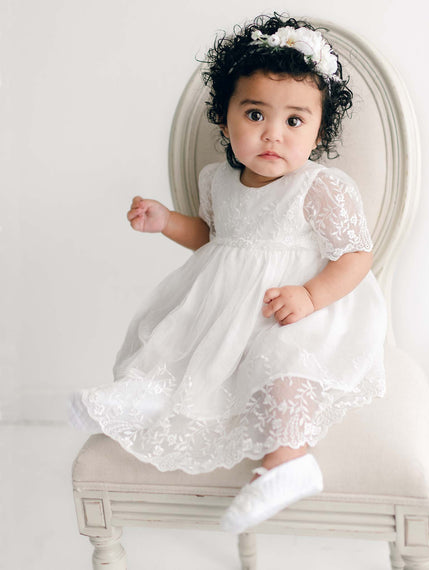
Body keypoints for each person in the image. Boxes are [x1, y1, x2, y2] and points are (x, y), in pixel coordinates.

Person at [69, 13, 387, 534]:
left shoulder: (319, 187)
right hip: (223, 304)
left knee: (281, 361)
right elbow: (215, 239)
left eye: (294, 121)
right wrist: (168, 221)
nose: (273, 135)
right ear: (225, 119)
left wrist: (309, 295)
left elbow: (356, 256)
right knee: (179, 339)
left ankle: (290, 461)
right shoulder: (217, 180)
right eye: (256, 113)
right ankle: (139, 399)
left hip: (293, 311)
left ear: (317, 131)